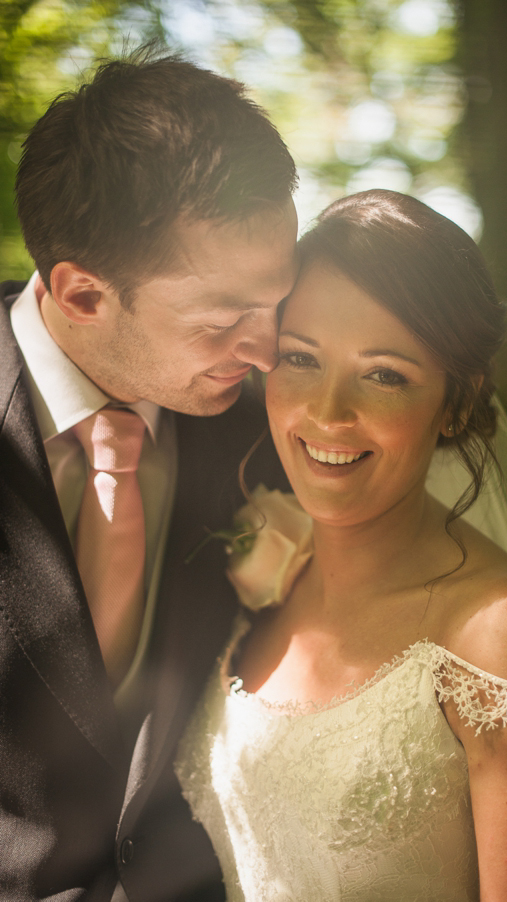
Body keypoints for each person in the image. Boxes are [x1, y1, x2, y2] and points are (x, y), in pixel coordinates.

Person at [176, 190, 507, 901]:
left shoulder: (505, 639)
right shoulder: (271, 564)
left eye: (383, 374)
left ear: (458, 402)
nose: (329, 412)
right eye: (300, 358)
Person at [0, 47, 299, 900]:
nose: (268, 348)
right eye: (227, 318)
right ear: (84, 295)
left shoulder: (275, 436)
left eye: (275, 301)